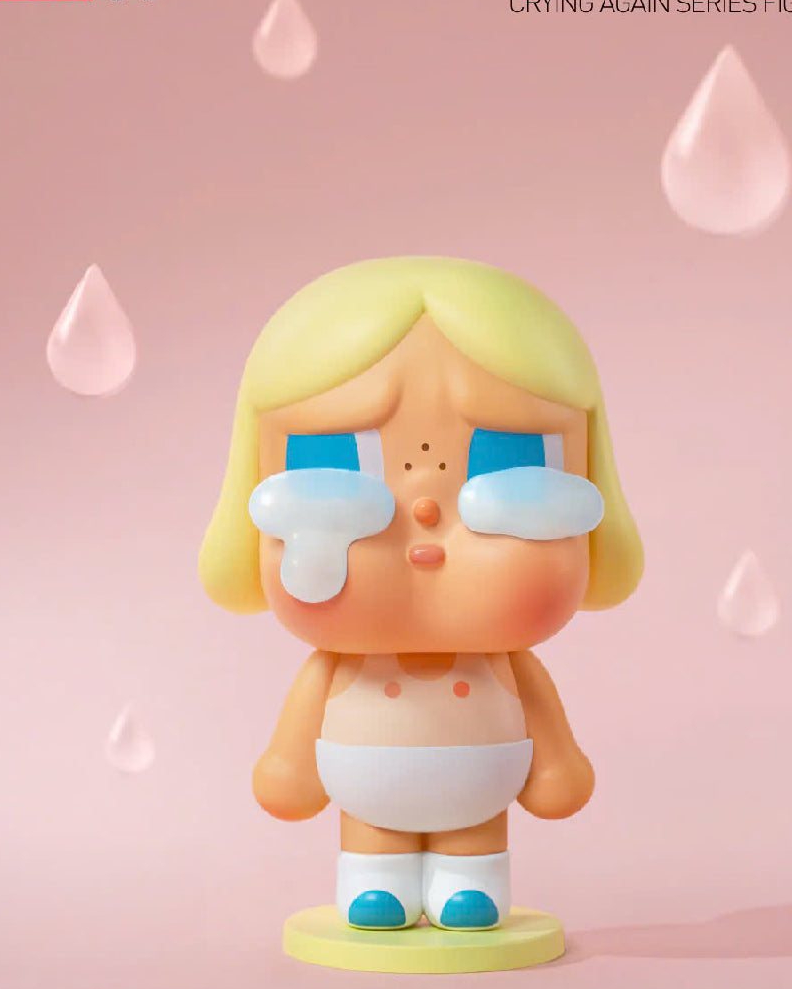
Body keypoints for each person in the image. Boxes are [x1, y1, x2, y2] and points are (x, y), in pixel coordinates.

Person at [200, 257, 642, 930]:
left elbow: (540, 716)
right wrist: (289, 765)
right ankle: (374, 880)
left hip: (478, 804)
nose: (425, 513)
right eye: (340, 460)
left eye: (510, 456)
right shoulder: (335, 666)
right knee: (373, 856)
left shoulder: (507, 665)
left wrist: (556, 763)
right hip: (368, 805)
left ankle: (472, 883)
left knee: (472, 855)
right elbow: (298, 739)